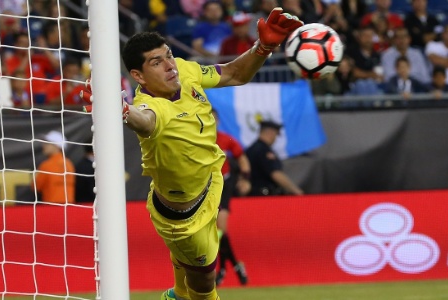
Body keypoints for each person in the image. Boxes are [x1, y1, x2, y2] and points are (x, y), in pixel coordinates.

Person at [81, 8, 302, 300]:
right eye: (156, 63)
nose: (169, 65)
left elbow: (235, 74)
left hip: (212, 180)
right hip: (184, 219)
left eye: (168, 55)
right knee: (204, 289)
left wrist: (263, 47)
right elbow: (143, 120)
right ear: (138, 76)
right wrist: (121, 111)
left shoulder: (185, 70)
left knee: (189, 282)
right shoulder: (152, 108)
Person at [211, 110, 251, 287]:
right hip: (205, 187)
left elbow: (242, 158)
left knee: (220, 228)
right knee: (217, 232)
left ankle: (222, 270)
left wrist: (245, 179)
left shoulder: (226, 139)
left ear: (218, 121)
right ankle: (234, 266)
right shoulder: (197, 141)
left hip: (224, 185)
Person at [245, 121, 304, 196]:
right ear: (270, 133)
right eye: (276, 135)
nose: (275, 139)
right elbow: (275, 174)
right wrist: (296, 191)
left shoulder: (251, 149)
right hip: (264, 196)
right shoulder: (263, 151)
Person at [31, 130, 76, 204]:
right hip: (69, 207)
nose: (44, 146)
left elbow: (35, 186)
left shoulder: (46, 165)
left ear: (57, 146)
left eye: (47, 143)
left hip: (51, 209)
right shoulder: (69, 164)